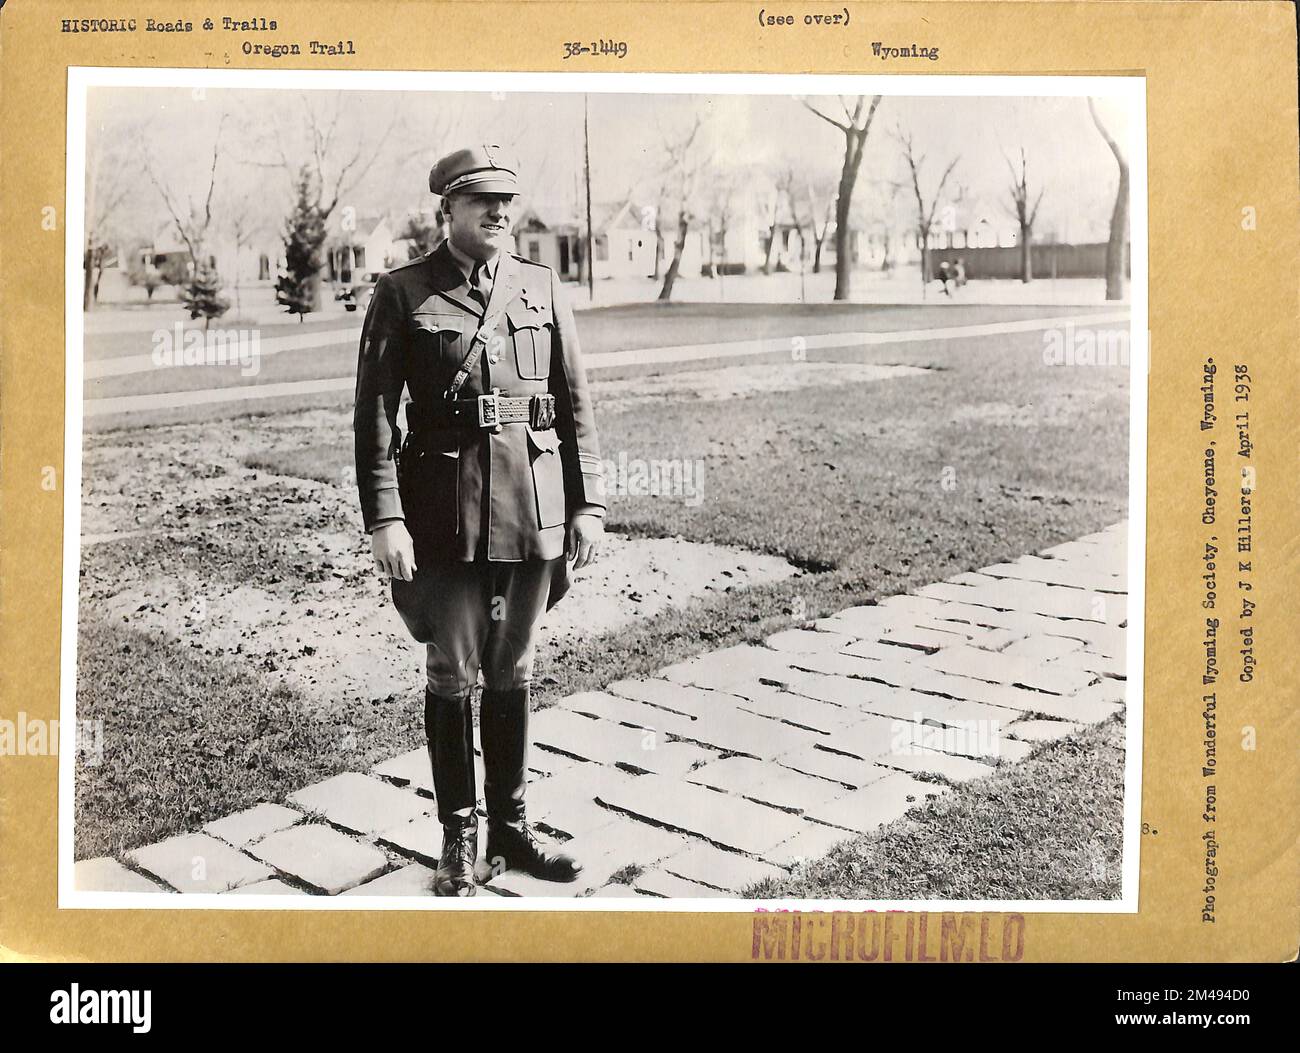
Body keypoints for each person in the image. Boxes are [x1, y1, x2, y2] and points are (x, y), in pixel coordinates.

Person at [353, 144, 606, 896]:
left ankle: (513, 829)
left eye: (507, 199)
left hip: (533, 510)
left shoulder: (539, 285)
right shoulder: (402, 292)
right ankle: (459, 835)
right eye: (480, 201)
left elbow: (577, 400)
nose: (499, 212)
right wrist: (384, 520)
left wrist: (589, 502)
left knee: (514, 668)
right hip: (444, 516)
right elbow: (373, 416)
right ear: (447, 210)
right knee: (451, 673)